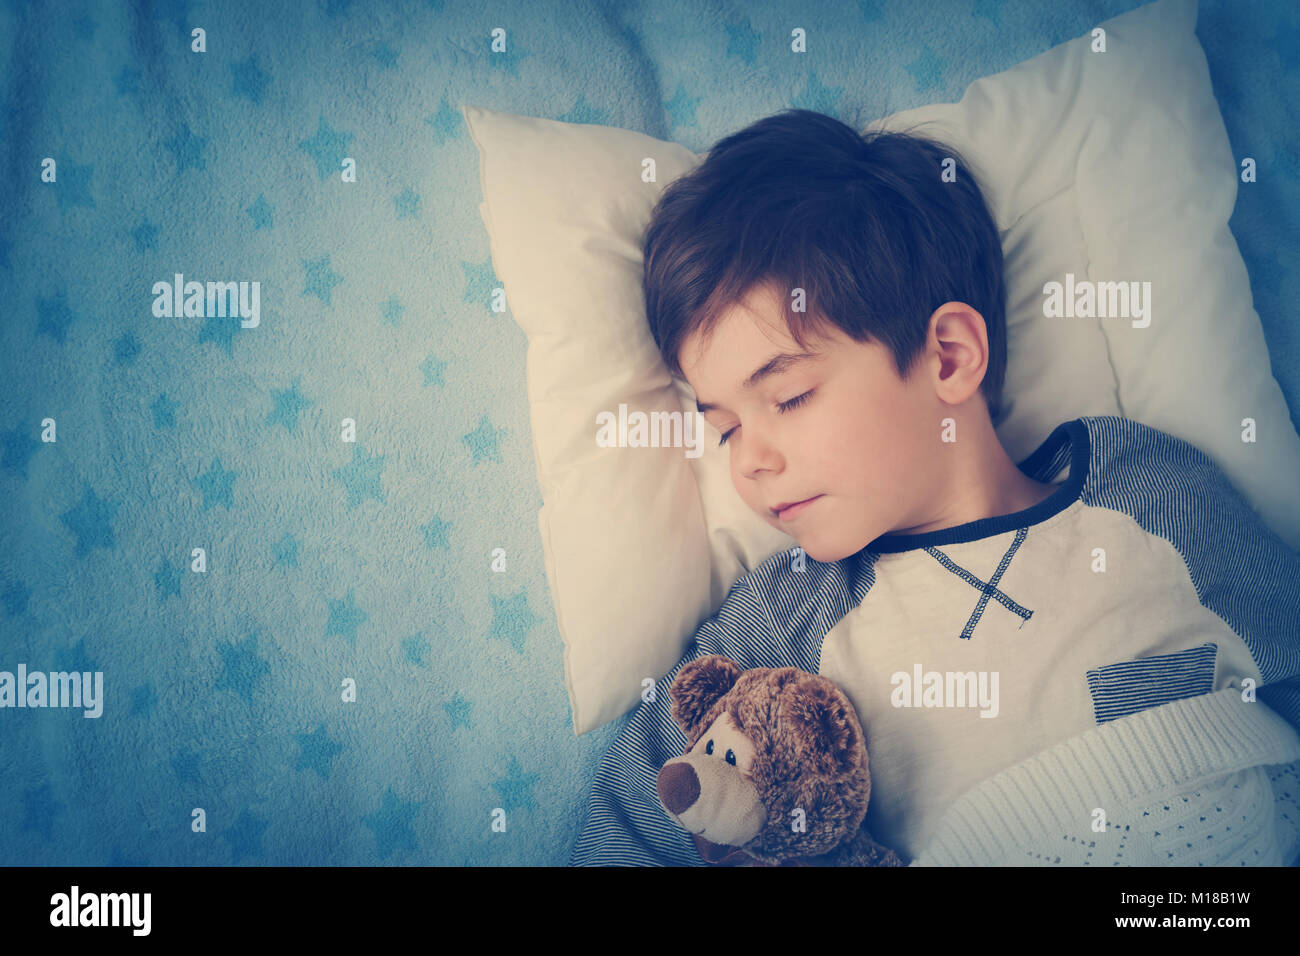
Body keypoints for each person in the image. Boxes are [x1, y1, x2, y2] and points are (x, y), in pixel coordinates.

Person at [571, 109, 1300, 866]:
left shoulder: (1144, 496)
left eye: (787, 399)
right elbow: (642, 816)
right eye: (724, 430)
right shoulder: (790, 617)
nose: (747, 462)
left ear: (948, 357)